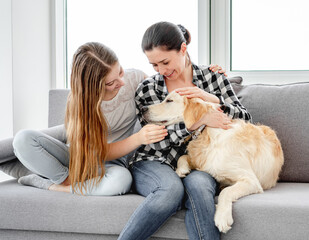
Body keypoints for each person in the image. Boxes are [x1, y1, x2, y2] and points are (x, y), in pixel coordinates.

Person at [118, 22, 251, 240]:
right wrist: (198, 121)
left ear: (182, 49)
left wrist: (211, 98)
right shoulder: (148, 89)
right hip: (156, 160)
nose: (161, 71)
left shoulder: (212, 78)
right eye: (154, 65)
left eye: (165, 62)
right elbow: (155, 140)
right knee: (171, 191)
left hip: (202, 161)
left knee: (199, 187)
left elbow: (245, 119)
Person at [12, 42, 168, 196]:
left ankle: (56, 186)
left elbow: (165, 94)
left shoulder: (135, 78)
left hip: (112, 166)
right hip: (77, 158)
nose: (122, 82)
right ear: (94, 86)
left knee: (122, 180)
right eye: (111, 82)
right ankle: (66, 180)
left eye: (120, 71)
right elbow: (99, 152)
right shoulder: (80, 102)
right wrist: (138, 138)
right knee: (22, 139)